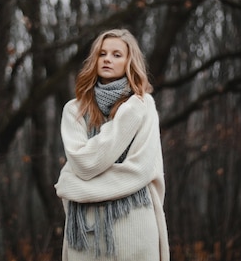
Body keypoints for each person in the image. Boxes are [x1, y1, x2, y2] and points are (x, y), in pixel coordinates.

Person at [55, 28, 169, 261]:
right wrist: (127, 121)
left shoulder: (143, 106)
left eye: (117, 54)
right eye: (102, 54)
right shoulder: (74, 110)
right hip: (86, 229)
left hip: (134, 221)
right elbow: (85, 163)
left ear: (129, 61)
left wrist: (73, 185)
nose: (107, 59)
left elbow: (140, 170)